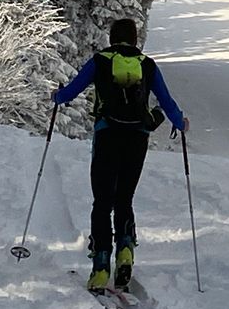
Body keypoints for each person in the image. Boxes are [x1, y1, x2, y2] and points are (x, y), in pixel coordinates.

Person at [53, 17, 186, 292]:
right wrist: (180, 122)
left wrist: (57, 96)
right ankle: (125, 252)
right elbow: (166, 101)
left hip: (107, 134)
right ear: (135, 39)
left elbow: (71, 91)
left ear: (112, 38)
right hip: (137, 138)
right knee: (124, 198)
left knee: (103, 202)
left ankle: (101, 266)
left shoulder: (100, 61)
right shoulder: (147, 65)